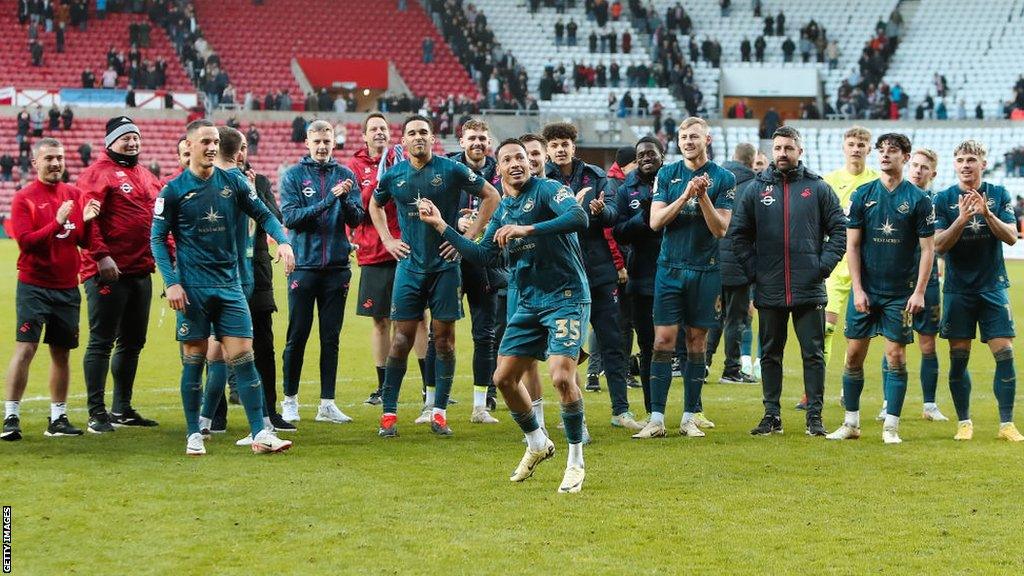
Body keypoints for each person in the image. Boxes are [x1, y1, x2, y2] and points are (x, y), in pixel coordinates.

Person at [415, 137, 591, 493]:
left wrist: (529, 229)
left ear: (530, 163)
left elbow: (579, 217)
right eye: (508, 158)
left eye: (521, 158)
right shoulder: (503, 211)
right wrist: (441, 226)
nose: (516, 163)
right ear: (499, 169)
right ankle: (538, 443)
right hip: (527, 302)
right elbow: (483, 256)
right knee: (504, 379)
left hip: (566, 296)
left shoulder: (548, 190)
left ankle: (575, 462)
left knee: (560, 377)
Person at [150, 119, 296, 456]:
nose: (212, 146)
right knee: (195, 360)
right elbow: (157, 238)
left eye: (215, 141)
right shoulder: (173, 190)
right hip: (193, 290)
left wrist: (283, 241)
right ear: (190, 146)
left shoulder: (233, 182)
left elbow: (264, 214)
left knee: (244, 357)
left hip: (230, 286)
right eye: (205, 141)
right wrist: (171, 283)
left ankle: (260, 432)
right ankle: (194, 433)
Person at [369, 115, 500, 437]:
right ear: (403, 142)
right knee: (401, 340)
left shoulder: (451, 169)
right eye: (412, 133)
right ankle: (389, 414)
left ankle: (439, 412)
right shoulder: (394, 175)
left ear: (432, 138)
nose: (418, 138)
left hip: (445, 268)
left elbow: (492, 197)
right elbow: (375, 204)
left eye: (423, 133)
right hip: (410, 268)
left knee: (444, 341)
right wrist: (387, 239)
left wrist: (466, 239)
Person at [730, 126, 847, 437]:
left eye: (788, 148)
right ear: (771, 152)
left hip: (808, 287)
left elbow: (839, 231)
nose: (782, 153)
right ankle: (772, 415)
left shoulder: (818, 188)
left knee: (813, 354)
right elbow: (739, 235)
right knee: (770, 353)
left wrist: (821, 267)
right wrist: (755, 272)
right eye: (778, 148)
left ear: (800, 152)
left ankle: (814, 417)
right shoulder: (756, 189)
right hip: (769, 287)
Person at [826, 133, 935, 444]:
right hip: (867, 291)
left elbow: (928, 250)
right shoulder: (863, 195)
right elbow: (853, 246)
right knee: (853, 355)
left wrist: (919, 292)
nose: (885, 156)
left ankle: (891, 427)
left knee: (896, 356)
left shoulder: (919, 200)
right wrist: (858, 290)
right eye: (882, 151)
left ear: (905, 156)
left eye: (893, 151)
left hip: (900, 293)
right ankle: (851, 424)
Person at [631, 117, 735, 439]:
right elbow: (655, 221)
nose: (688, 142)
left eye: (694, 136)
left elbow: (720, 229)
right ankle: (657, 418)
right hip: (670, 269)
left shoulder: (724, 178)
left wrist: (702, 196)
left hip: (705, 269)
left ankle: (690, 416)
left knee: (696, 341)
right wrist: (686, 195)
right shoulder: (667, 174)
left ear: (708, 139)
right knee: (662, 340)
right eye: (683, 137)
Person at [544, 121, 643, 432]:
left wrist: (601, 211)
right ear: (548, 149)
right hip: (561, 275)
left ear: (575, 146)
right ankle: (572, 412)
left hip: (597, 270)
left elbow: (614, 215)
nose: (561, 149)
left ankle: (621, 410)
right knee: (566, 347)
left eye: (565, 144)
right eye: (555, 145)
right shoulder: (541, 181)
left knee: (612, 340)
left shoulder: (597, 177)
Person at [3, 138, 101, 441]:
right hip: (34, 285)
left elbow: (83, 240)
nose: (56, 163)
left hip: (67, 287)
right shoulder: (24, 198)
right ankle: (11, 417)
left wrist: (88, 222)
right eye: (49, 159)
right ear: (36, 163)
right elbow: (27, 243)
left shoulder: (74, 195)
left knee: (62, 353)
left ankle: (57, 419)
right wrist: (57, 222)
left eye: (59, 158)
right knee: (26, 348)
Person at [76, 116, 162, 433]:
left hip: (141, 270)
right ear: (110, 141)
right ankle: (96, 413)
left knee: (133, 342)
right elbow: (88, 220)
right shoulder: (95, 174)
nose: (132, 142)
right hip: (107, 272)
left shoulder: (147, 175)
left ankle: (122, 408)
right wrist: (101, 256)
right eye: (125, 138)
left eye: (136, 137)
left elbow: (159, 222)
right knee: (101, 342)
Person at [933, 140, 1022, 442]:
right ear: (954, 164)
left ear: (983, 164)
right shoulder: (943, 199)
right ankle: (964, 423)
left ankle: (1006, 424)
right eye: (960, 159)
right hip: (958, 290)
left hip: (993, 286)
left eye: (971, 159)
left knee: (1005, 354)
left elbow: (1011, 237)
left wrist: (986, 214)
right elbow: (939, 245)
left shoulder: (998, 195)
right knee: (959, 358)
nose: (966, 164)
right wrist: (962, 218)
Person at [278, 121, 365, 425]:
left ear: (333, 142)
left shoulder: (346, 176)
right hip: (303, 267)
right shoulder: (293, 176)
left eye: (327, 140)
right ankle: (289, 400)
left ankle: (327, 403)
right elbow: (291, 218)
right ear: (307, 142)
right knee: (297, 336)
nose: (322, 146)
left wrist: (348, 200)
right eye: (317, 140)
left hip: (337, 269)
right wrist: (330, 199)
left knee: (331, 338)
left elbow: (356, 219)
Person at [348, 113, 429, 406]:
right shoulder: (355, 167)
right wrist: (379, 181)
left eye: (383, 128)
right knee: (381, 321)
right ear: (364, 136)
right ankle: (383, 387)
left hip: (409, 250)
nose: (379, 133)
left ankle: (427, 387)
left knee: (419, 319)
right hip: (375, 252)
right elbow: (358, 207)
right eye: (373, 129)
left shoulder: (405, 161)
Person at [810, 126, 879, 410]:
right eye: (851, 143)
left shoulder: (877, 181)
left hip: (869, 266)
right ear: (843, 147)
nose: (856, 148)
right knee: (825, 329)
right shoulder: (829, 181)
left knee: (861, 333)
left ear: (868, 149)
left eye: (861, 144)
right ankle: (814, 390)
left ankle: (847, 388)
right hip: (837, 264)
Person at [447, 119, 505, 423]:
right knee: (441, 332)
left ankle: (481, 405)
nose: (478, 143)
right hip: (451, 259)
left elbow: (508, 206)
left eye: (483, 138)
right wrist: (456, 221)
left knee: (485, 334)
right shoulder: (446, 169)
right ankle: (434, 404)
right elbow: (434, 206)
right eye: (472, 138)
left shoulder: (501, 170)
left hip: (486, 262)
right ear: (462, 142)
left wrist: (483, 225)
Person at [613, 135, 666, 416]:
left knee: (677, 344)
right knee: (647, 345)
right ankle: (652, 410)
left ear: (662, 155)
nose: (646, 158)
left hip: (673, 274)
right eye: (641, 155)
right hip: (642, 276)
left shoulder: (675, 182)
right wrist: (642, 218)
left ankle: (692, 410)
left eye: (651, 154)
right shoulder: (626, 190)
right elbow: (619, 231)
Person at [708, 142, 759, 384]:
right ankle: (731, 369)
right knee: (736, 319)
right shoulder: (754, 187)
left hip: (713, 260)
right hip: (740, 263)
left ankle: (703, 364)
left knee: (714, 316)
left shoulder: (715, 180)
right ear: (752, 162)